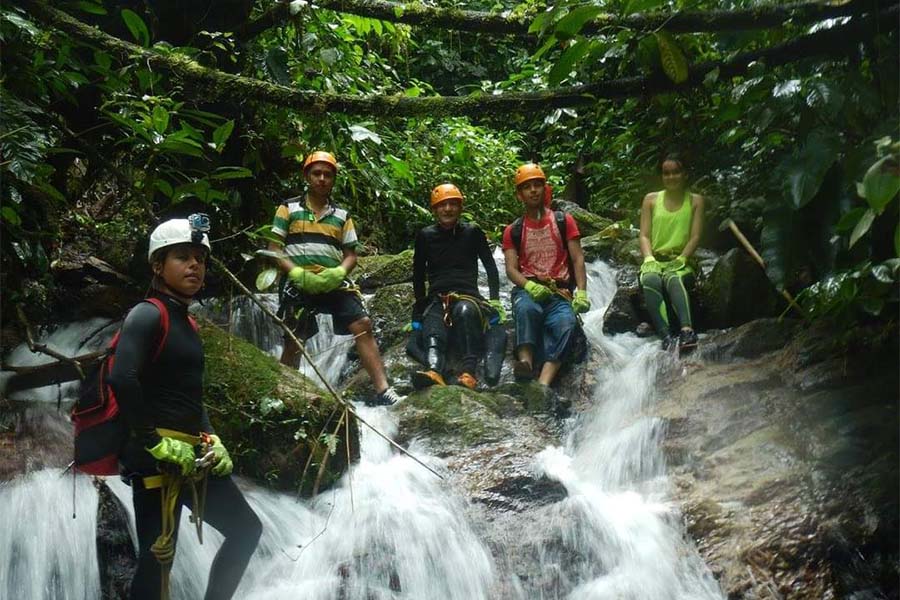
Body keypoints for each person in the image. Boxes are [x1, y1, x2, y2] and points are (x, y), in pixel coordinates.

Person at [108, 216, 262, 600]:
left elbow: (188, 394)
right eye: (182, 257)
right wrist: (153, 442)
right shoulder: (148, 314)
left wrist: (213, 436)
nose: (195, 265)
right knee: (158, 557)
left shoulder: (185, 322)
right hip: (157, 458)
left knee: (245, 530)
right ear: (158, 265)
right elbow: (122, 378)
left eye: (200, 258)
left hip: (192, 454)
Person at [269, 150, 404, 406]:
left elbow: (351, 254)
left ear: (333, 180)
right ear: (307, 176)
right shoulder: (288, 208)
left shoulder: (341, 215)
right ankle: (284, 388)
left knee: (362, 323)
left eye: (327, 175)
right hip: (298, 282)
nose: (322, 179)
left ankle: (383, 390)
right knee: (294, 334)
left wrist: (339, 272)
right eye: (316, 173)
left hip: (333, 281)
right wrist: (296, 272)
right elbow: (274, 248)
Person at [408, 183, 505, 390]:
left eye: (453, 204)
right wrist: (418, 309)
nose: (448, 209)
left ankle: (468, 373)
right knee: (433, 325)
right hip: (438, 297)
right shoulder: (425, 236)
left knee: (464, 311)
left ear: (460, 208)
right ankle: (434, 370)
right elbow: (418, 275)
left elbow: (490, 267)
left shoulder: (473, 233)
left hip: (468, 296)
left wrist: (495, 299)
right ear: (434, 210)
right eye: (442, 205)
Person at [502, 163, 591, 387]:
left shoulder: (563, 221)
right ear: (519, 194)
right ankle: (526, 363)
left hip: (559, 292)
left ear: (545, 188)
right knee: (525, 309)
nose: (533, 190)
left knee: (566, 323)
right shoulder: (514, 230)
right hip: (529, 289)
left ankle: (544, 381)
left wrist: (582, 292)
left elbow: (578, 258)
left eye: (537, 185)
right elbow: (511, 268)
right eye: (527, 187)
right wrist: (528, 286)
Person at [638, 153, 705, 351]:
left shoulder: (695, 201)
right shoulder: (650, 200)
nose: (671, 177)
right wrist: (648, 257)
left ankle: (686, 331)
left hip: (681, 261)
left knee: (672, 278)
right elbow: (644, 235)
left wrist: (683, 257)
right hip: (656, 259)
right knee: (650, 279)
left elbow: (695, 236)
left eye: (676, 172)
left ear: (684, 174)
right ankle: (665, 335)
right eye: (666, 173)